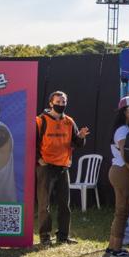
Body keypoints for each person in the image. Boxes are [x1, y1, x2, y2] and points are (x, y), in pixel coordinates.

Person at [35, 91, 89, 246]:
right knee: (44, 204)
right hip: (46, 167)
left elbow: (77, 144)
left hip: (63, 167)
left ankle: (63, 236)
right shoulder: (40, 120)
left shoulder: (69, 121)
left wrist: (81, 137)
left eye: (63, 101)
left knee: (64, 203)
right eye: (58, 101)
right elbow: (32, 141)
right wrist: (38, 159)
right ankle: (45, 237)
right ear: (51, 103)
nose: (61, 104)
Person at [106, 95, 129, 257]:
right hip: (122, 171)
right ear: (123, 112)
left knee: (121, 211)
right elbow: (126, 155)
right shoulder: (122, 130)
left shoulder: (124, 129)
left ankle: (113, 246)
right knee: (123, 210)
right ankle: (116, 249)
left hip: (119, 170)